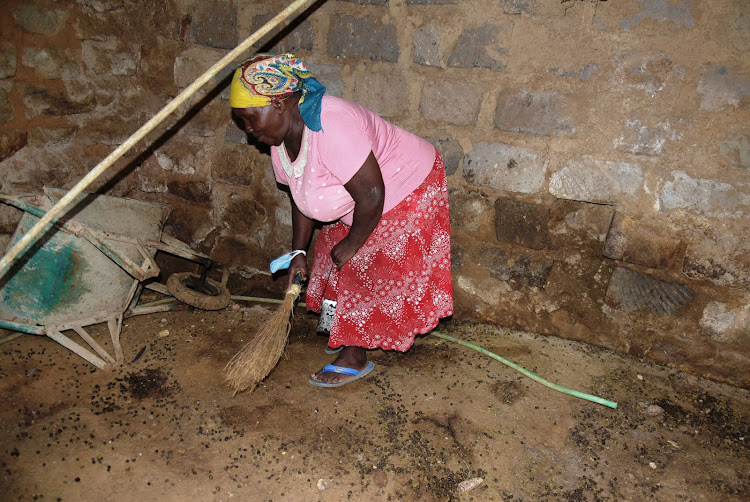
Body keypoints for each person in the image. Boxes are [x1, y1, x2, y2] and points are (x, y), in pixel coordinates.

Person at [229, 53, 453, 387]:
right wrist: (297, 253)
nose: (249, 131)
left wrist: (355, 242)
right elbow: (301, 196)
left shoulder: (330, 126)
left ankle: (354, 354)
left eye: (250, 119)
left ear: (280, 104)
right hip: (362, 195)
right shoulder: (278, 141)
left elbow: (373, 195)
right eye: (242, 122)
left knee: (359, 265)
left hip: (405, 183)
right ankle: (343, 329)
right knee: (327, 255)